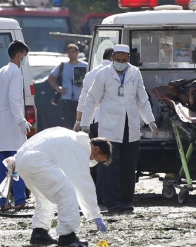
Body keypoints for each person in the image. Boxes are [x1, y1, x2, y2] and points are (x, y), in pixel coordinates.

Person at [80, 44, 158, 213]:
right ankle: (112, 202)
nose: (121, 63)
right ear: (113, 57)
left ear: (128, 58)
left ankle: (127, 201)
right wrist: (85, 123)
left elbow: (142, 99)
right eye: (118, 59)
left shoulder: (134, 73)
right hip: (109, 127)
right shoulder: (103, 74)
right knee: (111, 167)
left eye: (124, 60)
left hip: (130, 127)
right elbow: (92, 99)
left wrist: (150, 120)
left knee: (129, 167)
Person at [8, 127, 111, 246]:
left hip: (22, 160)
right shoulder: (81, 148)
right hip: (36, 160)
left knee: (45, 198)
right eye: (100, 160)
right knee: (67, 193)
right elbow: (84, 184)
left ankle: (39, 233)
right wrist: (95, 214)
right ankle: (67, 237)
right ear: (96, 149)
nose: (97, 162)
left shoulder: (72, 139)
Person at [0, 40, 30, 211]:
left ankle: (3, 201)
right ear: (19, 55)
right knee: (16, 162)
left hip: (2, 120)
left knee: (3, 164)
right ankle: (20, 199)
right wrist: (21, 120)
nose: (25, 60)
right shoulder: (15, 72)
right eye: (25, 56)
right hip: (13, 122)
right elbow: (15, 99)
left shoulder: (1, 71)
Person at [73, 47, 114, 137]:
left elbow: (82, 100)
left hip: (92, 122)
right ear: (112, 57)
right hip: (110, 123)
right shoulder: (115, 73)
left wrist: (78, 121)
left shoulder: (90, 74)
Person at [48, 43, 89, 129]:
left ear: (77, 53)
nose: (71, 54)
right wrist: (58, 88)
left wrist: (85, 85)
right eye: (69, 52)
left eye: (73, 52)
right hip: (66, 98)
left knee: (80, 123)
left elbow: (92, 79)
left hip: (80, 99)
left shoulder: (85, 65)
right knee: (68, 123)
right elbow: (51, 77)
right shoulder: (63, 66)